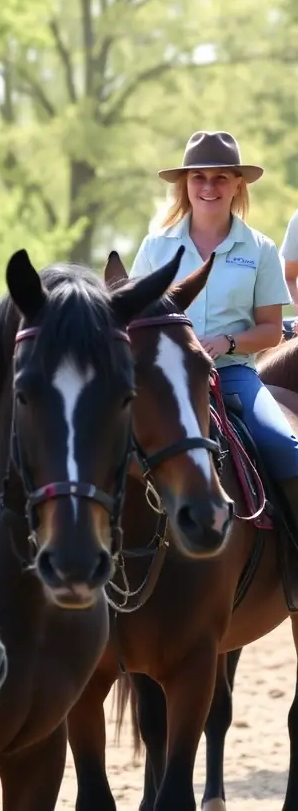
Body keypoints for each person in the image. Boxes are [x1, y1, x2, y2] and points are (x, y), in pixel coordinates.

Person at [131, 131, 298, 590]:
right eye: (198, 177)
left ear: (238, 184)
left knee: (287, 447)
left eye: (220, 177)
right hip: (165, 381)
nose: (209, 186)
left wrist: (225, 341)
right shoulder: (154, 248)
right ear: (184, 184)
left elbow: (269, 330)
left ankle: (293, 567)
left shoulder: (261, 250)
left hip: (235, 376)